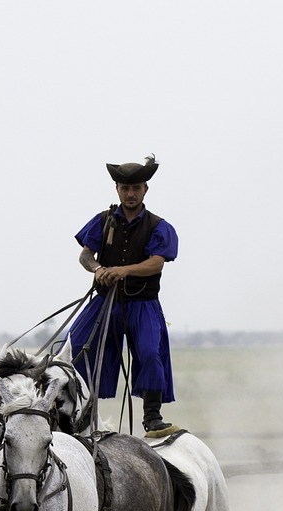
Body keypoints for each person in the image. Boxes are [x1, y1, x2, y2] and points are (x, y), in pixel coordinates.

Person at [67, 154, 179, 436]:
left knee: (150, 353)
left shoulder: (158, 226)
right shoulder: (103, 221)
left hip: (143, 305)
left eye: (136, 188)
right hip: (106, 303)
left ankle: (152, 418)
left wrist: (122, 271)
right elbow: (85, 256)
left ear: (145, 190)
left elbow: (157, 262)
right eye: (125, 188)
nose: (130, 193)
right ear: (117, 189)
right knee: (75, 347)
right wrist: (98, 269)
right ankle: (77, 413)